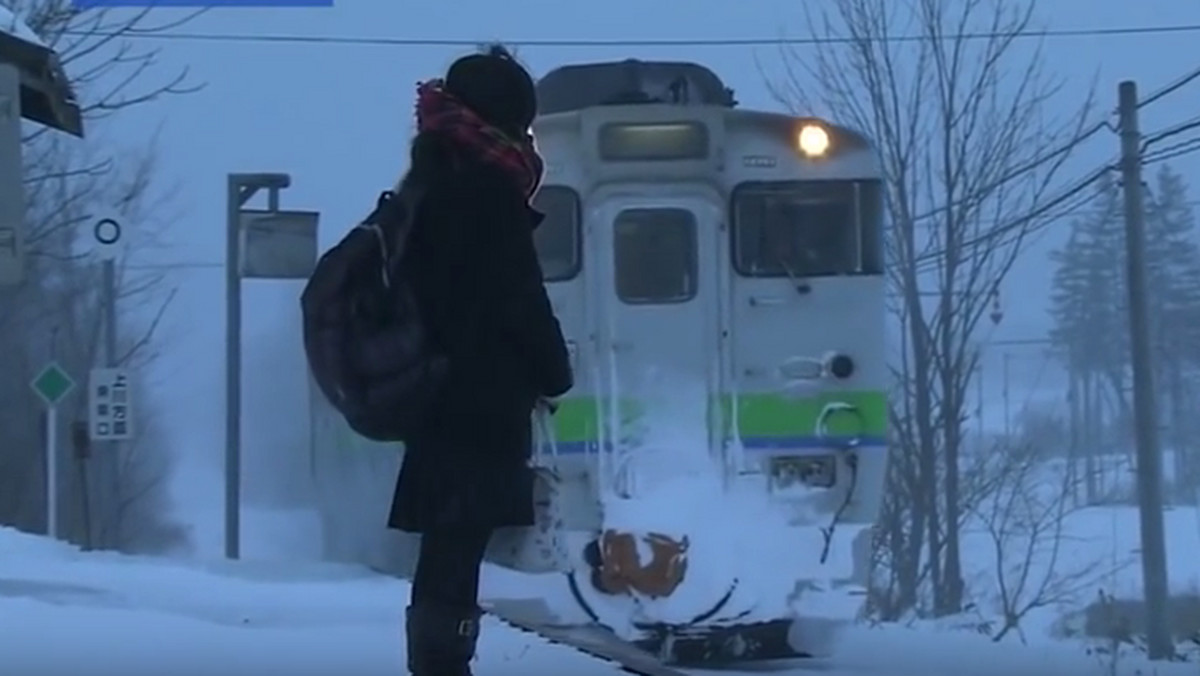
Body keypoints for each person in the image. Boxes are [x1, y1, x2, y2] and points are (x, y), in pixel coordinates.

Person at [387, 45, 574, 676]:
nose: (525, 137)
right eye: (521, 122)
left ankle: (437, 660)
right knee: (457, 549)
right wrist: (555, 370)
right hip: (476, 403)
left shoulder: (430, 178)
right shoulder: (485, 189)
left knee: (448, 548)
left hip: (438, 398)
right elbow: (517, 295)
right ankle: (444, 663)